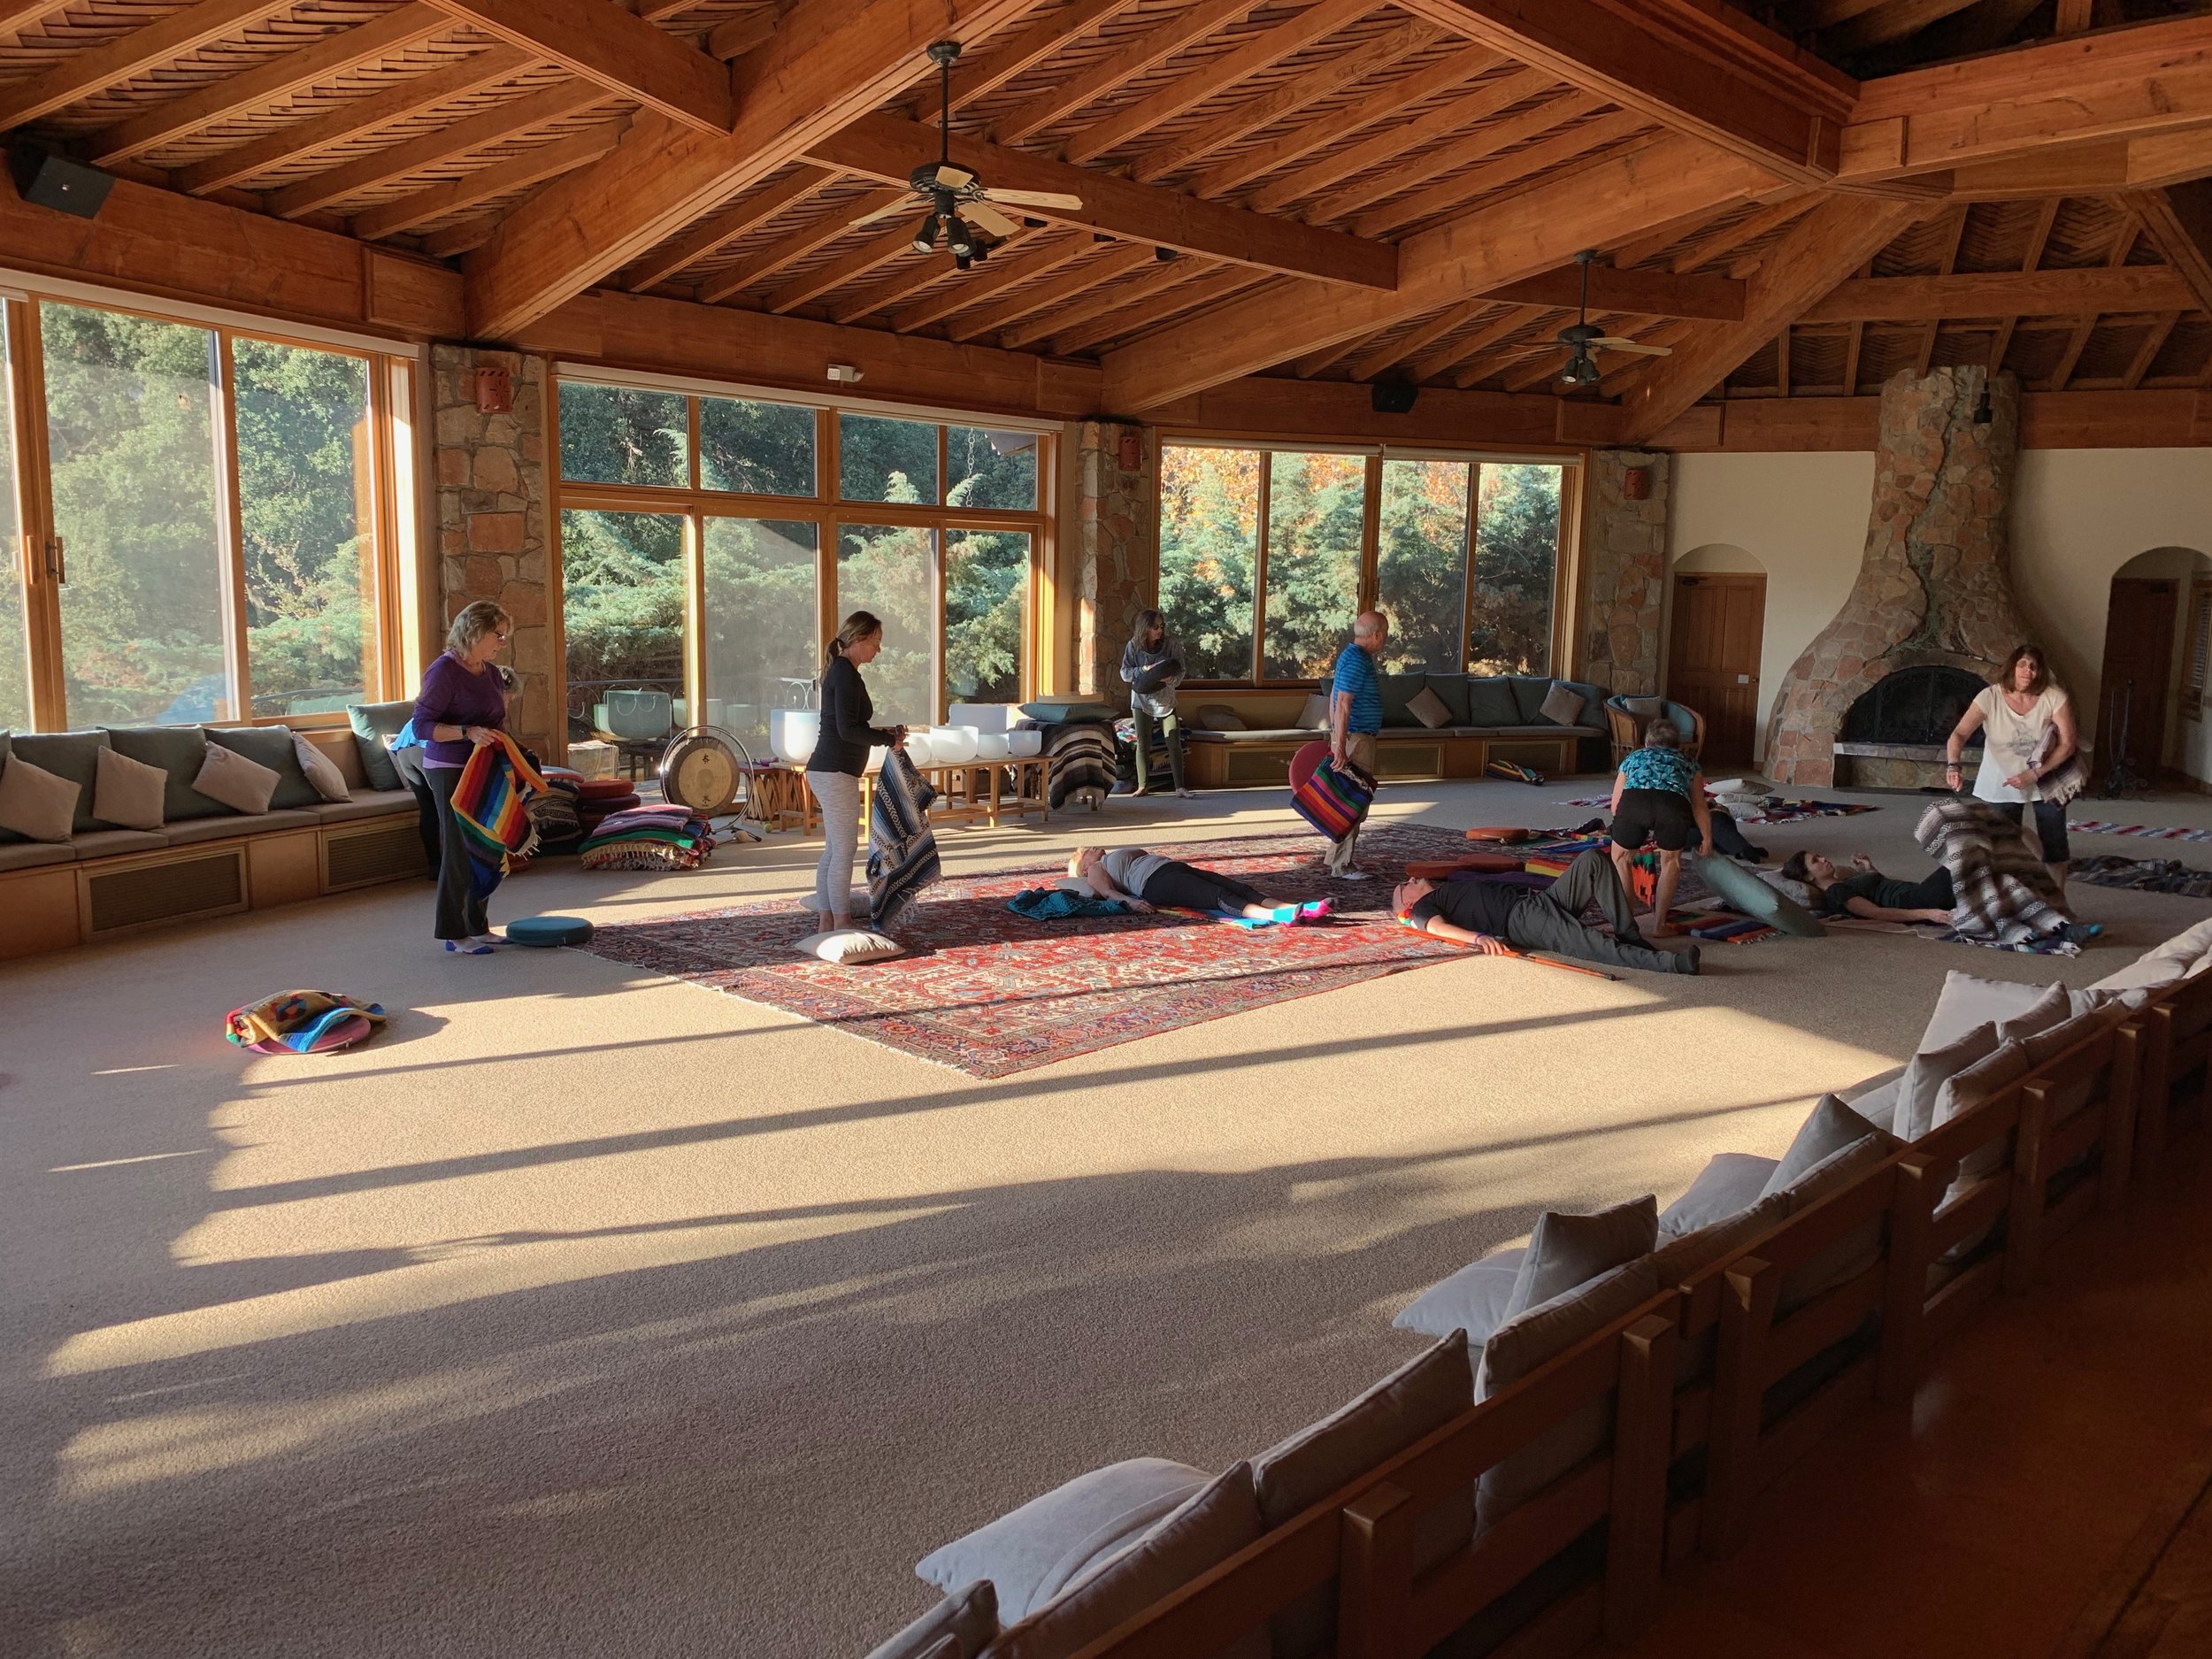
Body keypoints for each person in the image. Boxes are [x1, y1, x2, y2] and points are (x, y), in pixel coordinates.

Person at [1394, 850, 1698, 975]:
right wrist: (1478, 938)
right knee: (1593, 944)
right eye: (1405, 885)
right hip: (1521, 919)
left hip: (1542, 900)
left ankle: (1630, 934)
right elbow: (1436, 928)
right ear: (1406, 902)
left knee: (1593, 859)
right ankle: (1673, 964)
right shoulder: (1422, 908)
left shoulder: (1448, 887)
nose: (1412, 879)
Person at [413, 599, 512, 954]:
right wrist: (466, 732)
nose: (502, 642)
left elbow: (496, 722)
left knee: (486, 844)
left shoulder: (491, 673)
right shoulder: (443, 672)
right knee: (459, 849)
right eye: (498, 635)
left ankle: (477, 925)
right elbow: (422, 726)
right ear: (475, 631)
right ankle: (453, 933)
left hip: (484, 767)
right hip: (449, 769)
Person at [1945, 644, 2078, 894]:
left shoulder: (2054, 696)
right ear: (2012, 667)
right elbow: (1959, 734)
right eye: (2022, 664)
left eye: (2034, 666)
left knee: (2055, 844)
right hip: (2001, 778)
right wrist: (1954, 765)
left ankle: (2057, 900)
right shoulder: (1990, 697)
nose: (2028, 671)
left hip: (2046, 777)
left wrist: (2034, 774)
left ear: (2040, 671)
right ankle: (2012, 901)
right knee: (2003, 847)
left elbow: (2068, 743)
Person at [807, 611, 907, 932]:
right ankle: (841, 921)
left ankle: (827, 920)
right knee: (844, 850)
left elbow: (850, 726)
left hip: (830, 770)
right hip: (835, 772)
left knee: (834, 850)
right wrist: (887, 740)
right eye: (875, 641)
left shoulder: (844, 672)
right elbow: (848, 730)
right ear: (858, 639)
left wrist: (884, 733)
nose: (879, 649)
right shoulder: (845, 674)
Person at [1608, 719, 1713, 936]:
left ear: (1646, 743)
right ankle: (1659, 926)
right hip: (1673, 807)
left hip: (1635, 803)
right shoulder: (1689, 763)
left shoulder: (1633, 757)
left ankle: (1625, 926)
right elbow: (1699, 806)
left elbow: (1615, 805)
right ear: (1678, 745)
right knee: (1670, 862)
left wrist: (1626, 830)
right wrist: (1707, 837)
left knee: (1621, 859)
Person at [1068, 845, 1330, 925]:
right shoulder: (1095, 871)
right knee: (1218, 896)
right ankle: (1277, 916)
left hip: (1170, 868)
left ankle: (1295, 908)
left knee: (1238, 888)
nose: (1090, 848)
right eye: (1084, 853)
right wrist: (1133, 903)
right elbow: (1108, 893)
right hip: (1155, 883)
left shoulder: (1109, 858)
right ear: (1084, 867)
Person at [1326, 610, 1389, 879]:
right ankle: (1342, 866)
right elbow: (1342, 703)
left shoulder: (1350, 655)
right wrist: (1341, 746)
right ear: (1376, 635)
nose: (1385, 639)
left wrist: (1336, 736)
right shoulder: (1357, 660)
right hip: (1356, 740)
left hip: (1351, 738)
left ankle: (1337, 859)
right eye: (1384, 633)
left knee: (1348, 799)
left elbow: (1334, 697)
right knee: (1353, 802)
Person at [1120, 609, 1193, 799]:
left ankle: (1180, 787)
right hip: (1141, 699)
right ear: (1145, 628)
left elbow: (1180, 669)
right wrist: (1144, 670)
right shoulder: (1133, 645)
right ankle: (1142, 786)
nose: (1159, 630)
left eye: (1162, 626)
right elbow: (1125, 673)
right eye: (1155, 627)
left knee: (1173, 740)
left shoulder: (1171, 644)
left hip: (1165, 700)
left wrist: (1170, 680)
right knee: (1143, 743)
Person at [1781, 850, 1956, 924]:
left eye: (1819, 856)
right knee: (1962, 858)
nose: (1823, 859)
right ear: (1808, 876)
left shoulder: (1842, 882)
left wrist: (1869, 870)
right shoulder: (1836, 892)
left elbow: (1880, 889)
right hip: (1918, 900)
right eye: (1815, 861)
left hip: (1919, 892)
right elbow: (1875, 912)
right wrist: (1928, 914)